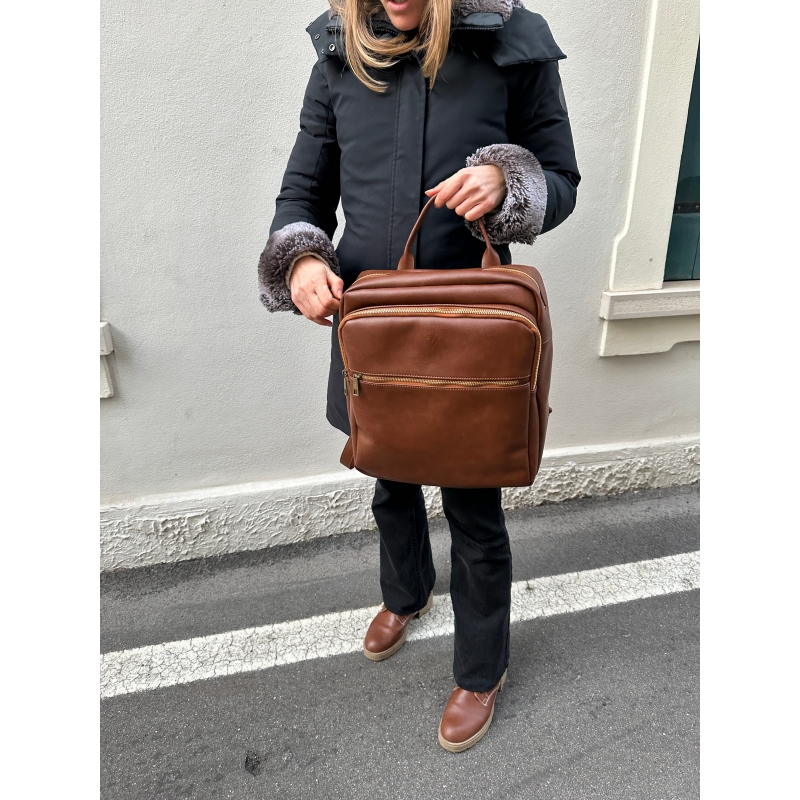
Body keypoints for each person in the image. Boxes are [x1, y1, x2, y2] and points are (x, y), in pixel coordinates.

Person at [258, 0, 579, 752]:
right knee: (389, 476)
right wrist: (301, 259)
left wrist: (507, 183)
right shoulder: (338, 52)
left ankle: (481, 669)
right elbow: (303, 189)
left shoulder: (512, 44)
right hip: (373, 324)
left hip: (469, 329)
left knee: (473, 505)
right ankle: (405, 595)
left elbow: (560, 178)